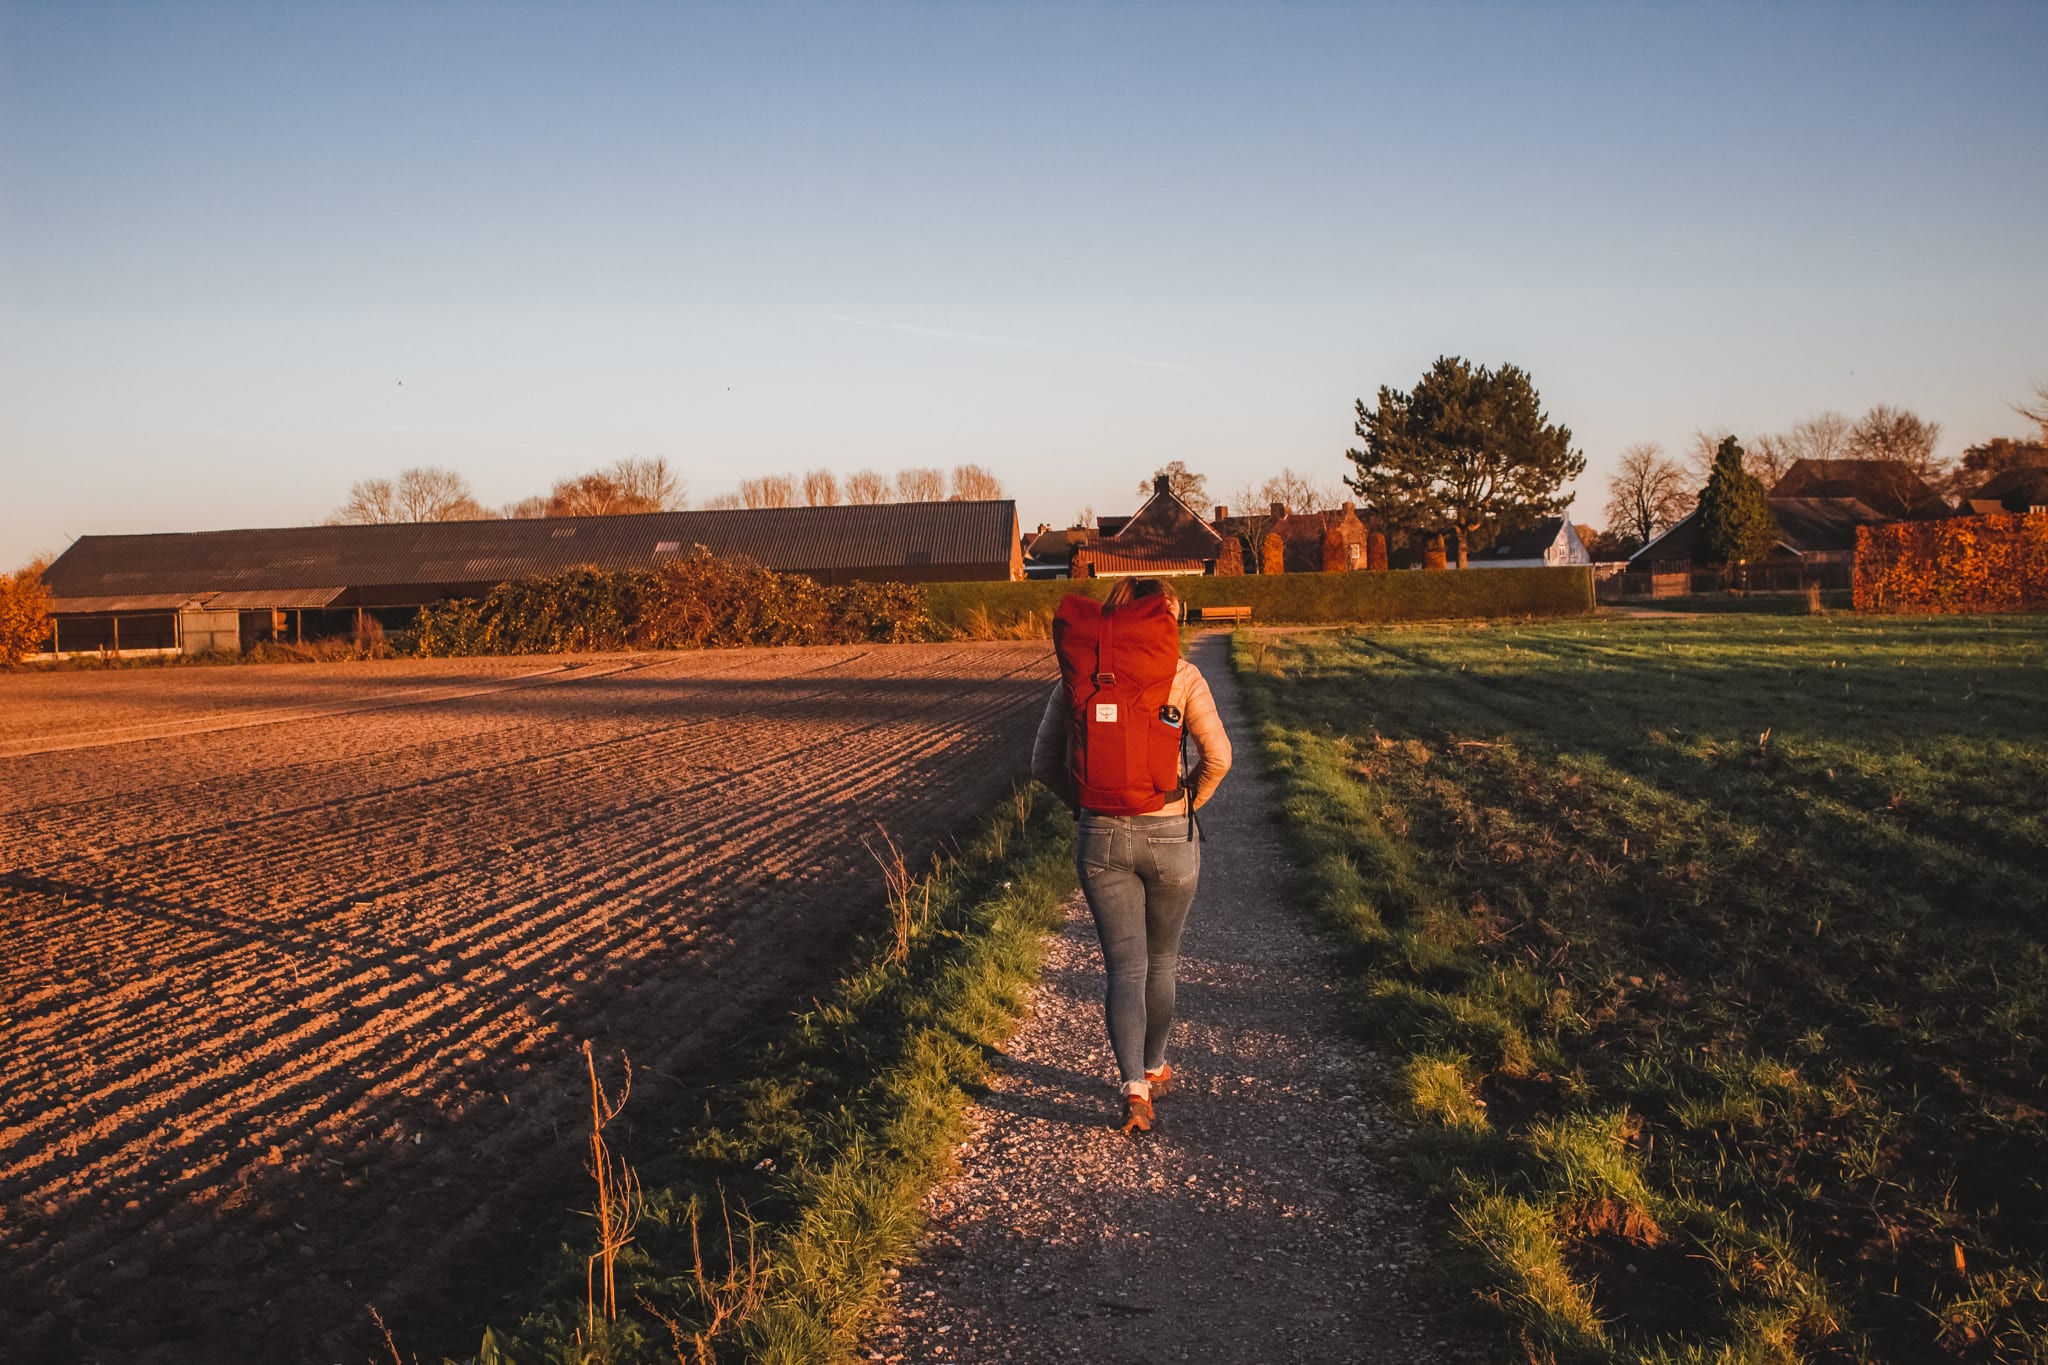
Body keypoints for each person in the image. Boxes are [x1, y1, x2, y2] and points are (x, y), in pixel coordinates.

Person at [1031, 577, 1231, 1133]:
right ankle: (1156, 1064)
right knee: (1162, 961)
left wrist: (1088, 806)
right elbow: (1219, 757)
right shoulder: (1184, 676)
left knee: (1124, 967)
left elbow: (1041, 766)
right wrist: (1188, 801)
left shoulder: (1077, 678)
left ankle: (1134, 1090)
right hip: (1171, 831)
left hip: (1101, 836)